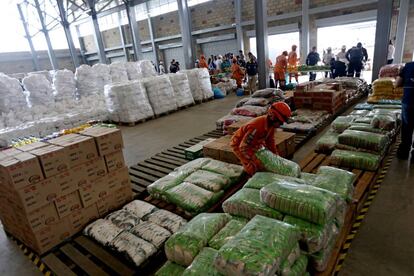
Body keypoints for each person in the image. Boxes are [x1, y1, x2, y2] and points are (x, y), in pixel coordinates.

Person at [230, 102, 292, 175]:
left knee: (265, 160)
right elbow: (243, 148)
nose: (281, 125)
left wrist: (276, 157)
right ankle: (250, 178)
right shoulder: (256, 127)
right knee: (253, 167)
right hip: (239, 145)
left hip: (255, 142)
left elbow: (270, 141)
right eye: (280, 122)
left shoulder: (271, 125)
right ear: (273, 116)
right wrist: (256, 162)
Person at [395, 62, 414, 161]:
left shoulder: (408, 66)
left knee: (407, 126)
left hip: (409, 100)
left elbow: (397, 83)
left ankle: (404, 152)